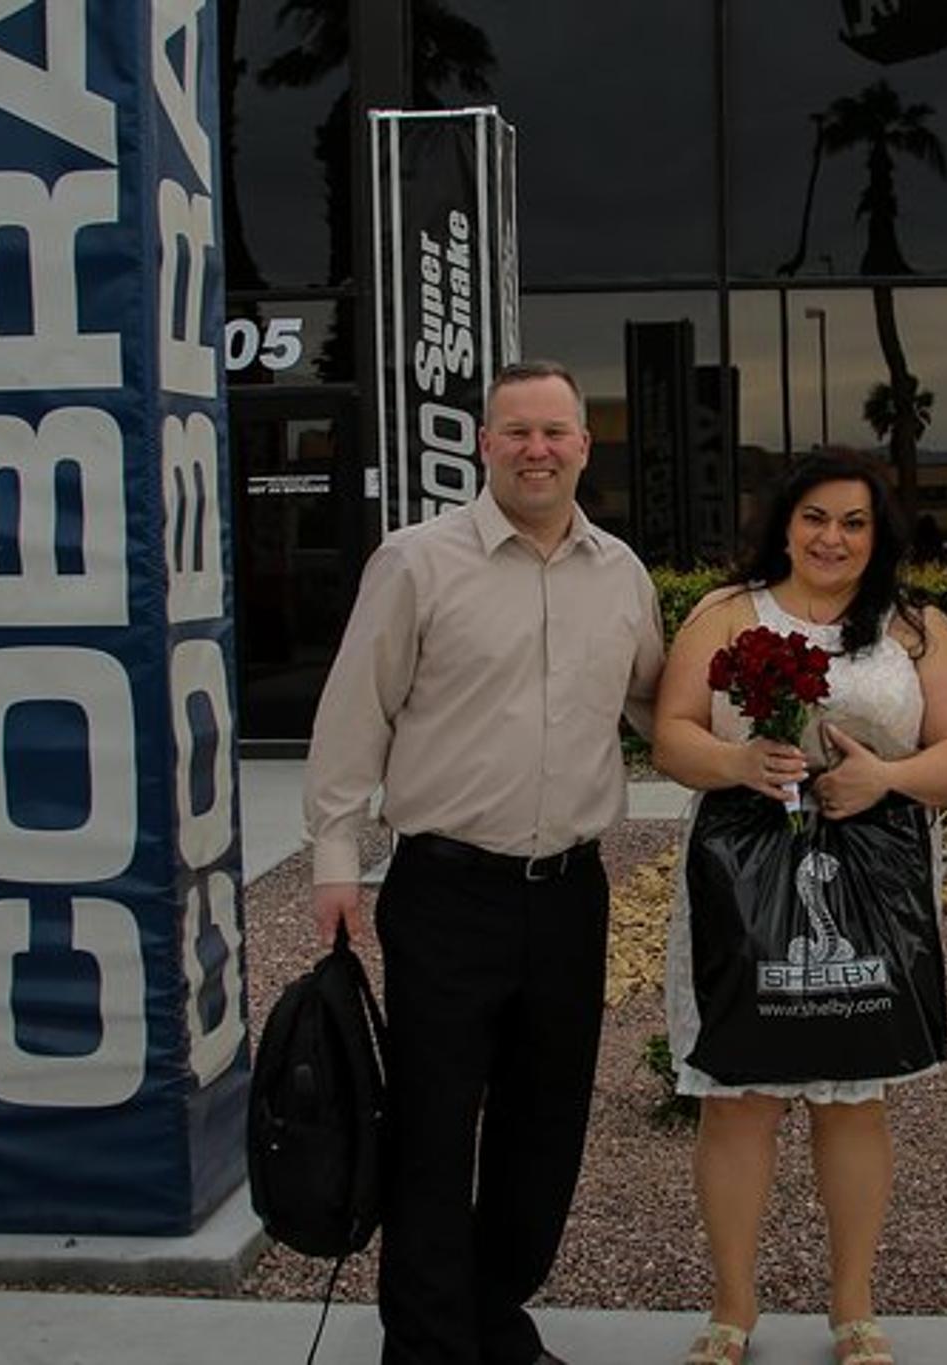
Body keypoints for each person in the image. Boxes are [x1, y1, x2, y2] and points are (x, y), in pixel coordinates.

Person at [304, 360, 664, 1365]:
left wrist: (764, 734)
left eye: (554, 432)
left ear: (584, 445)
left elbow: (656, 706)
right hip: (446, 892)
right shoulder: (416, 564)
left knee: (541, 1132)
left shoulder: (621, 575)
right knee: (431, 1126)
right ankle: (426, 1345)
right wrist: (335, 858)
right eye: (517, 432)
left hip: (570, 895)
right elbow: (354, 716)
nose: (536, 450)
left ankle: (495, 1323)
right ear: (484, 444)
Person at [653, 451, 947, 1365]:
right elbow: (672, 735)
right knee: (739, 1098)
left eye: (853, 522)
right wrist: (738, 760)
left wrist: (888, 777)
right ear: (784, 523)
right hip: (741, 876)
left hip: (873, 877)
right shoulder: (728, 613)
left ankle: (855, 1310)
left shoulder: (917, 628)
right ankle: (732, 1308)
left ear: (879, 535)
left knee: (853, 1097)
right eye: (814, 517)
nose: (831, 538)